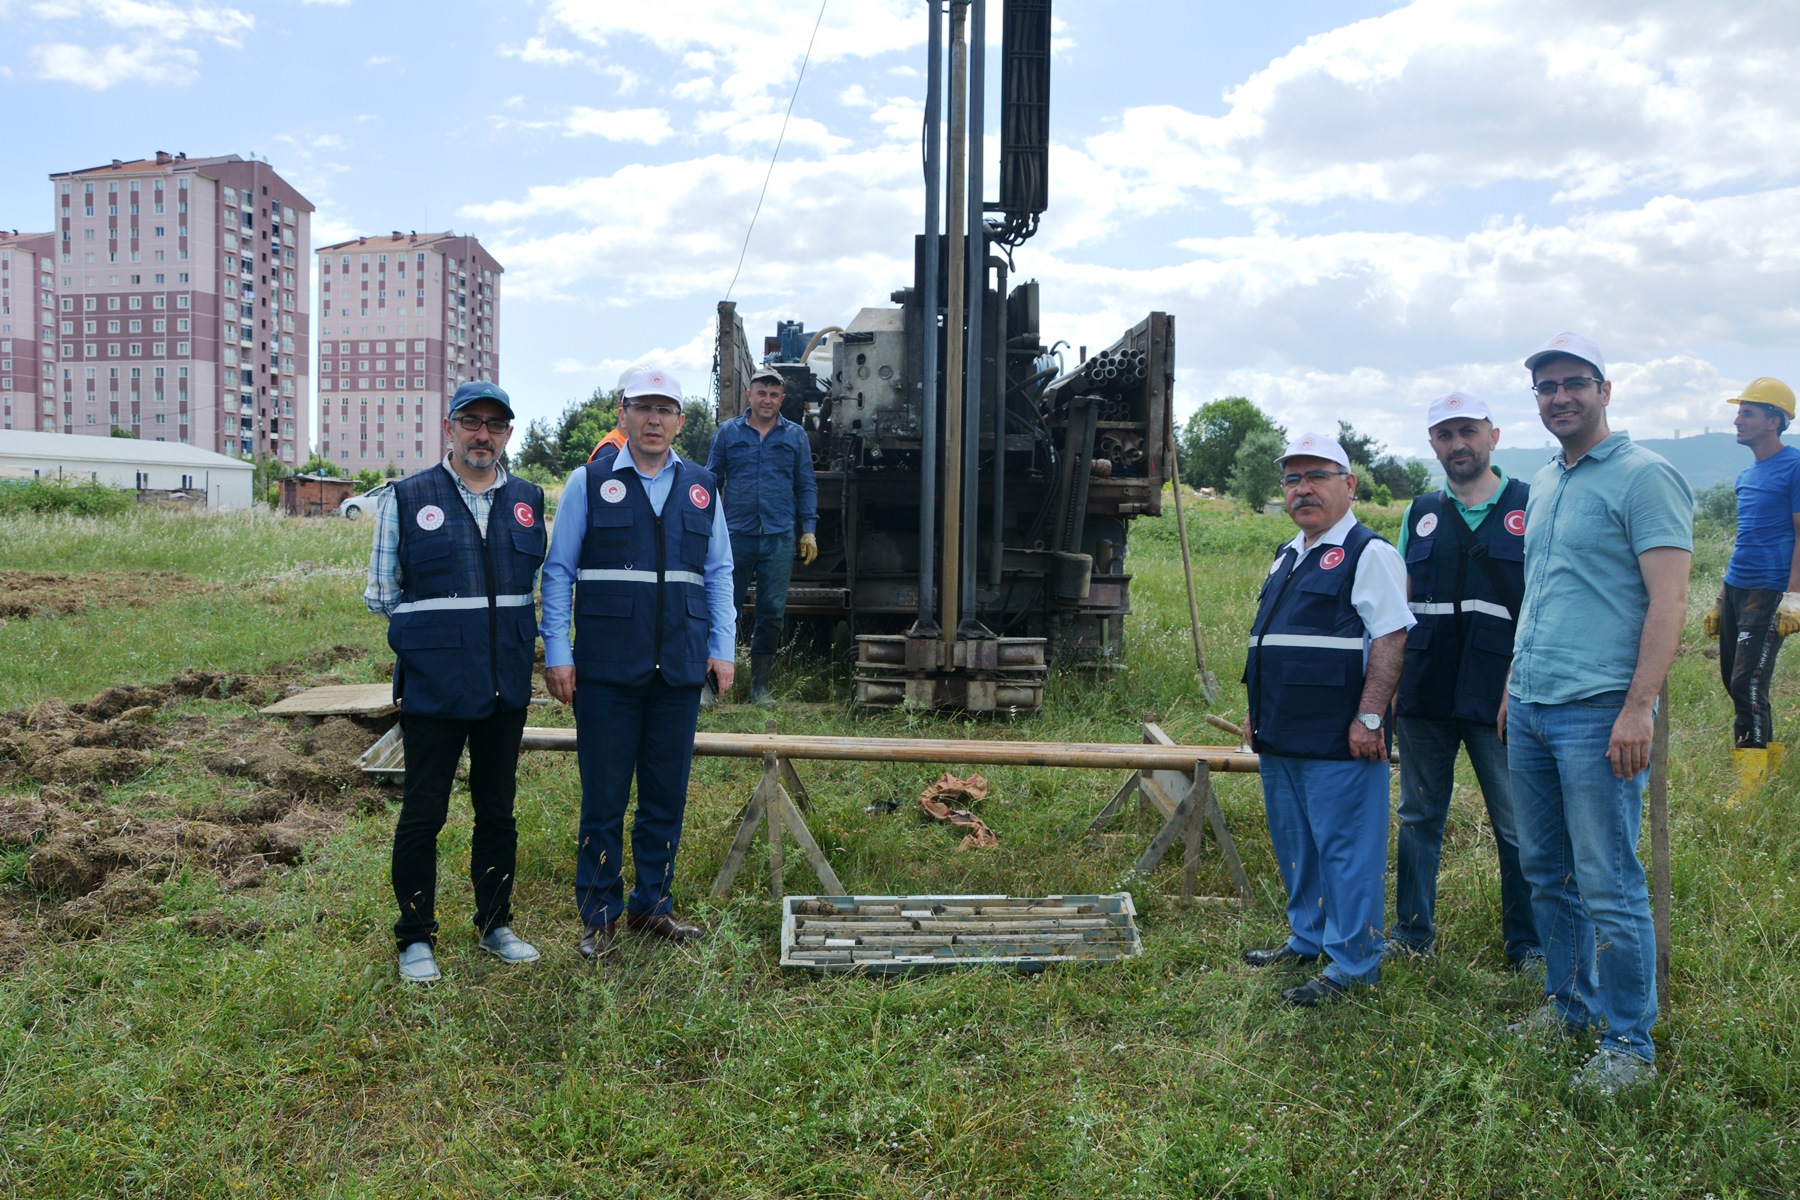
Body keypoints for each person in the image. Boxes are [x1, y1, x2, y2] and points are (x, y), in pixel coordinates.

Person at [1503, 331, 1692, 1096]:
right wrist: (1512, 689)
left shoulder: (1646, 477)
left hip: (1598, 713)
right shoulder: (1544, 480)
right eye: (1546, 388)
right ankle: (1569, 1003)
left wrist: (1638, 708)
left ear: (1605, 390)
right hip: (1532, 705)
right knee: (1546, 871)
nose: (1559, 398)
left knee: (1609, 879)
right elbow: (1541, 598)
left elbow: (1670, 600)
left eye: (1574, 383)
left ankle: (1628, 1044)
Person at [541, 366, 736, 960]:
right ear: (622, 413)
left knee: (665, 795)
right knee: (603, 796)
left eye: (666, 409)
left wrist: (723, 650)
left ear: (680, 420)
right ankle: (599, 913)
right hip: (605, 671)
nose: (654, 420)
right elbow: (558, 572)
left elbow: (719, 573)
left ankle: (654, 905)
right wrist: (558, 652)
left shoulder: (702, 486)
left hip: (678, 668)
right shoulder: (589, 481)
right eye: (643, 408)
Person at [363, 380, 546, 985]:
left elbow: (535, 588)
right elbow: (383, 595)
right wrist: (442, 644)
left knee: (498, 810)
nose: (483, 435)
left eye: (496, 424)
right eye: (472, 422)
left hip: (504, 686)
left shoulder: (526, 498)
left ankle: (496, 925)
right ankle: (415, 937)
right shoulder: (409, 496)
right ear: (450, 427)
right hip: (436, 687)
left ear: (508, 434)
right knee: (423, 812)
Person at [1241, 433, 1414, 1006]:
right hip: (1282, 732)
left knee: (1346, 849)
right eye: (1292, 479)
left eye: (1317, 475)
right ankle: (1306, 937)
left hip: (1340, 737)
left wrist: (1370, 718)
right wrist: (1254, 713)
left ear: (1349, 484)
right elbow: (1267, 643)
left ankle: (1353, 964)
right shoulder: (1287, 552)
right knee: (1296, 844)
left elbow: (1390, 638)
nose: (1303, 489)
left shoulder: (1370, 553)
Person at [1387, 391, 1541, 972]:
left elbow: (1542, 604)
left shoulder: (1532, 504)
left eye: (1468, 431)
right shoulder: (1419, 511)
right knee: (1419, 818)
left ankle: (1527, 944)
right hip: (1425, 691)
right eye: (1445, 434)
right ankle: (1412, 933)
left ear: (1493, 435)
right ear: (1432, 444)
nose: (1458, 443)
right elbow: (1400, 605)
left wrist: (1519, 686)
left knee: (1517, 825)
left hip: (1499, 693)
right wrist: (1393, 682)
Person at [1703, 377, 1800, 794]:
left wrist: (1794, 595)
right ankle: (1769, 767)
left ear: (1774, 421)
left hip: (1771, 590)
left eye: (1747, 412)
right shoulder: (1747, 476)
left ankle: (1751, 788)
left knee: (1748, 683)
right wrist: (1721, 599)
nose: (1736, 420)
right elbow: (1746, 541)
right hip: (1739, 588)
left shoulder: (1796, 466)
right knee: (1734, 681)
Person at [706, 365, 819, 702]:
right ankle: (711, 686)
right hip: (735, 535)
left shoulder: (795, 436)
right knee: (724, 607)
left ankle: (759, 686)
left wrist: (808, 530)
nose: (767, 400)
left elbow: (806, 485)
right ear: (749, 395)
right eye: (761, 393)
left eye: (773, 394)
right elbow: (711, 481)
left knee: (771, 611)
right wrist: (703, 529)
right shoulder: (728, 433)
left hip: (779, 536)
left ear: (782, 399)